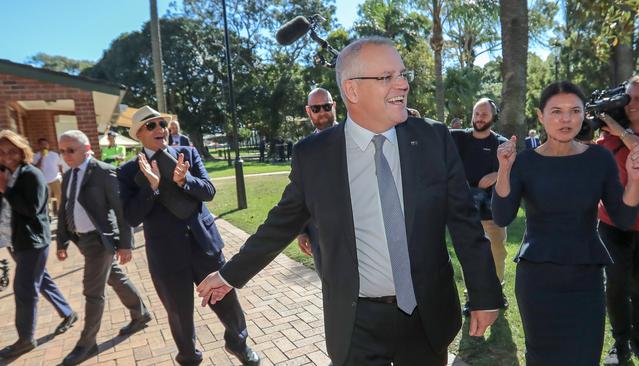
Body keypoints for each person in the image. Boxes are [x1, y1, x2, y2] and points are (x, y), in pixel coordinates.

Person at [197, 37, 503, 366]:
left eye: (403, 73)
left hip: (426, 316)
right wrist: (229, 275)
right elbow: (280, 224)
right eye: (387, 77)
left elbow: (464, 222)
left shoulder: (432, 138)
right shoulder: (314, 156)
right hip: (356, 323)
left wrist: (485, 293)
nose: (403, 84)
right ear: (352, 90)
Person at [492, 81, 639, 365]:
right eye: (557, 111)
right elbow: (503, 216)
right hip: (537, 280)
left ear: (583, 115)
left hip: (585, 280)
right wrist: (504, 170)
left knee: (585, 357)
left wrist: (636, 179)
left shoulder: (599, 158)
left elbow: (624, 217)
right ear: (540, 116)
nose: (566, 119)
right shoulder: (525, 162)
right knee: (541, 359)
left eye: (575, 111)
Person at [117, 106, 260, 366]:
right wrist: (152, 187)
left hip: (204, 245)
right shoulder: (128, 172)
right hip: (166, 255)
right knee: (178, 312)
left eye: (162, 123)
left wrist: (186, 181)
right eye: (151, 125)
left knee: (227, 301)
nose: (160, 129)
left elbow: (209, 191)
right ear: (139, 134)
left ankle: (238, 343)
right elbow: (131, 217)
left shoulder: (188, 154)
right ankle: (188, 357)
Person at [56, 130, 151, 365]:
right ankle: (140, 314)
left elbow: (120, 211)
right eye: (62, 151)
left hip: (101, 241)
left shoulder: (103, 172)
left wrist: (125, 245)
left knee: (92, 291)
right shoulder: (68, 175)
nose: (66, 155)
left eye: (71, 150)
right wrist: (62, 241)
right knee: (115, 277)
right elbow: (63, 209)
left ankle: (87, 344)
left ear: (87, 149)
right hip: (82, 241)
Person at [0, 130, 78, 359]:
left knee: (24, 289)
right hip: (14, 240)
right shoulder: (6, 173)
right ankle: (68, 312)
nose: (7, 156)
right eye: (2, 152)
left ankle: (26, 339)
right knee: (40, 279)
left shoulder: (31, 174)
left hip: (33, 241)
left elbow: (31, 210)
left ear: (22, 150)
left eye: (12, 151)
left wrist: (5, 189)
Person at [597, 75, 639, 364]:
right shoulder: (607, 137)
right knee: (615, 284)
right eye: (628, 97)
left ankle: (637, 335)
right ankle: (620, 342)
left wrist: (622, 133)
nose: (631, 104)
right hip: (612, 224)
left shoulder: (620, 133)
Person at [450, 98, 508, 316]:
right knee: (469, 256)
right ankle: (471, 296)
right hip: (466, 212)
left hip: (492, 213)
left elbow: (516, 167)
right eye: (477, 113)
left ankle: (497, 291)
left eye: (484, 114)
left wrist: (497, 173)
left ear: (494, 117)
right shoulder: (458, 137)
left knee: (496, 255)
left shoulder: (500, 143)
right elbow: (433, 133)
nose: (480, 118)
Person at [297, 87, 340, 275]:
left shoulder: (353, 138)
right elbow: (300, 194)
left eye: (326, 106)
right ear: (308, 111)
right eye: (316, 109)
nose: (322, 112)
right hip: (319, 236)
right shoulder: (303, 150)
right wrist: (301, 230)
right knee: (330, 289)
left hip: (356, 234)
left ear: (334, 106)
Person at [33, 138, 63, 214]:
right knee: (46, 199)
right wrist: (42, 157)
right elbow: (36, 168)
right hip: (44, 181)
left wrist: (62, 175)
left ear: (48, 145)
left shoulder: (55, 155)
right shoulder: (35, 156)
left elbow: (59, 166)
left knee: (60, 197)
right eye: (42, 144)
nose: (44, 146)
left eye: (46, 144)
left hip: (55, 179)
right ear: (39, 146)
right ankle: (48, 215)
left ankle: (61, 213)